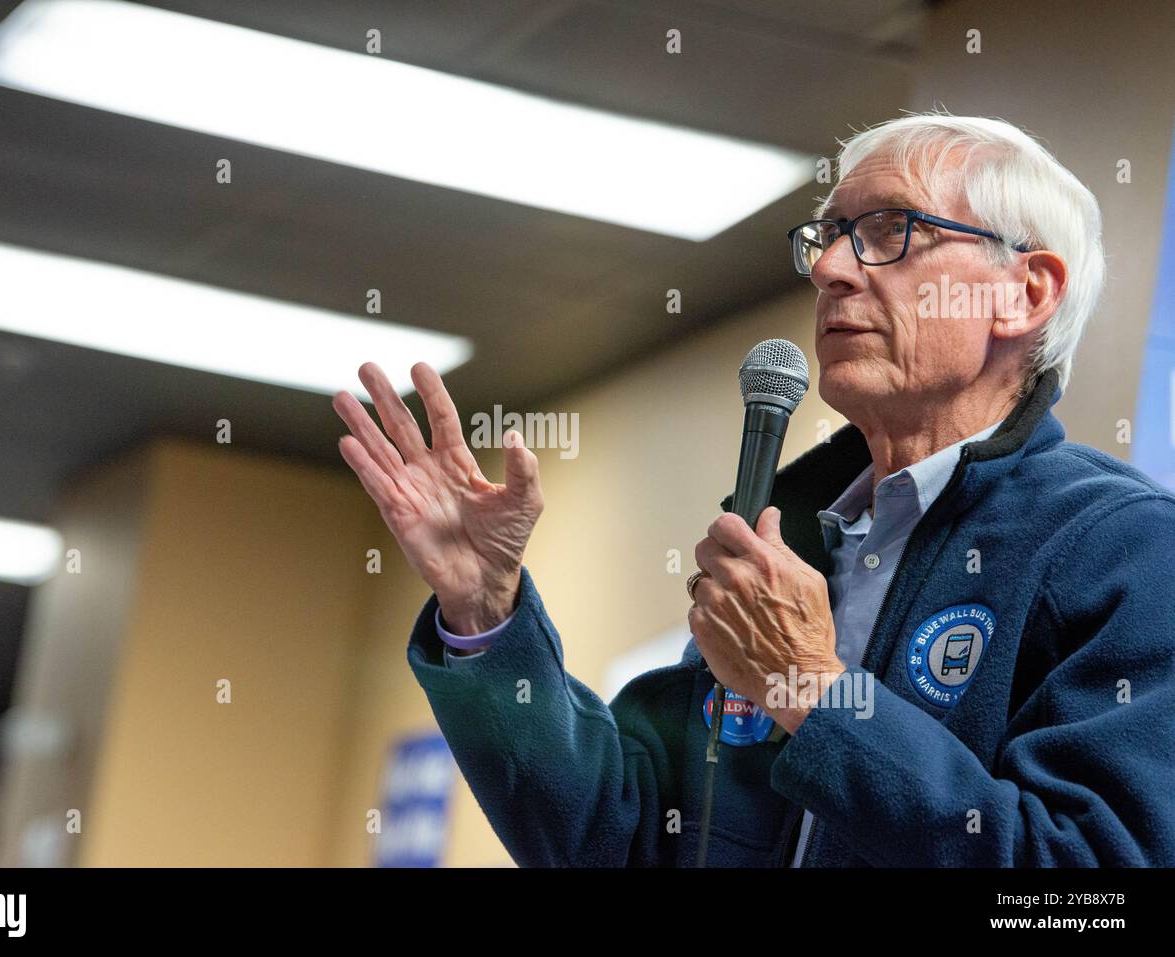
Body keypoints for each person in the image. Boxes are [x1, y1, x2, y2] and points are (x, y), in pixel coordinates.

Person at [332, 112, 1175, 866]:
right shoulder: (784, 528)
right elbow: (613, 837)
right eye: (832, 234)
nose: (834, 269)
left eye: (889, 230)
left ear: (1023, 292)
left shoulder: (1124, 548)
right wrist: (488, 614)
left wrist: (815, 690)